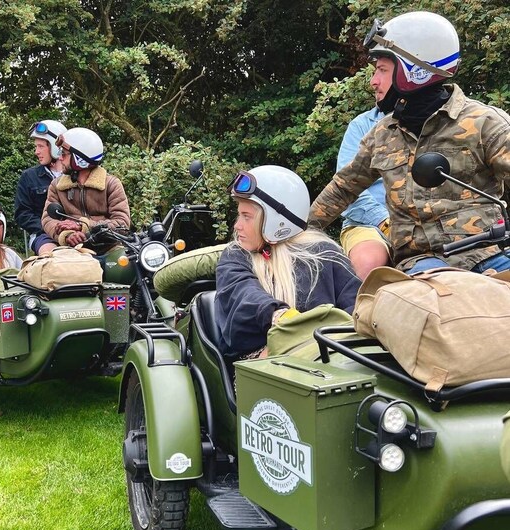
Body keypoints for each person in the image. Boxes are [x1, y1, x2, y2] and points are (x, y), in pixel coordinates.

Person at [308, 11, 510, 275]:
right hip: (424, 262)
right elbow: (342, 189)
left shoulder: (485, 123)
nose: (373, 81)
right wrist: (294, 234)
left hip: (489, 251)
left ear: (415, 70)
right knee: (430, 305)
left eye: (382, 70)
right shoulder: (381, 135)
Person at [215, 165, 361, 360]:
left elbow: (356, 304)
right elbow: (242, 291)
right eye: (239, 214)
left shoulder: (325, 253)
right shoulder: (236, 256)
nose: (237, 226)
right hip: (263, 362)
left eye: (247, 217)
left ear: (277, 220)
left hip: (330, 353)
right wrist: (276, 314)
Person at [337, 58, 393, 280]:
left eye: (382, 71)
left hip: (429, 224)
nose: (373, 81)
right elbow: (347, 193)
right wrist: (388, 224)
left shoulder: (443, 125)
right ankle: (357, 313)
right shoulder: (361, 126)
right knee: (369, 260)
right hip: (370, 224)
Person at [41, 127, 131, 249]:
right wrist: (67, 236)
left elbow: (122, 223)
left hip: (108, 247)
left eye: (63, 154)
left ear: (80, 159)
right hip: (72, 249)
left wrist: (83, 226)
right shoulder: (57, 186)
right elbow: (48, 219)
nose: (60, 158)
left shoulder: (111, 184)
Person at [15, 120, 67, 255]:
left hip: (77, 232)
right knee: (52, 257)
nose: (36, 152)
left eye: (40, 146)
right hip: (43, 235)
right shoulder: (29, 177)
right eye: (36, 147)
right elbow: (22, 214)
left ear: (56, 147)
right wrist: (51, 227)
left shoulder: (76, 175)